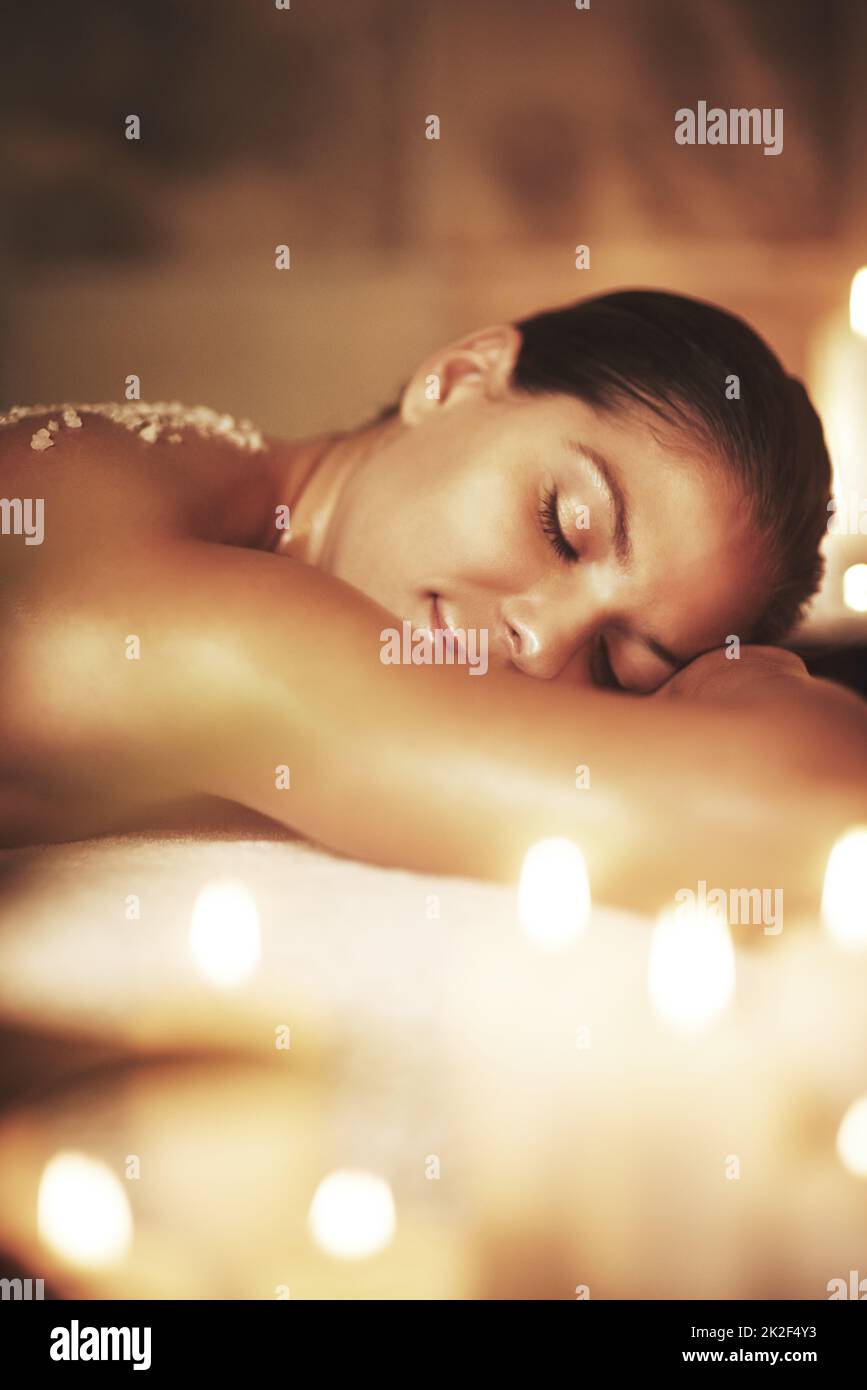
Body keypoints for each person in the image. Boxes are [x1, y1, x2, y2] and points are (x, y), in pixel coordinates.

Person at [1, 290, 865, 911]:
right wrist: (751, 683)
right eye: (562, 528)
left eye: (619, 663)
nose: (541, 641)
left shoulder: (214, 488)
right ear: (455, 379)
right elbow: (810, 802)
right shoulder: (180, 600)